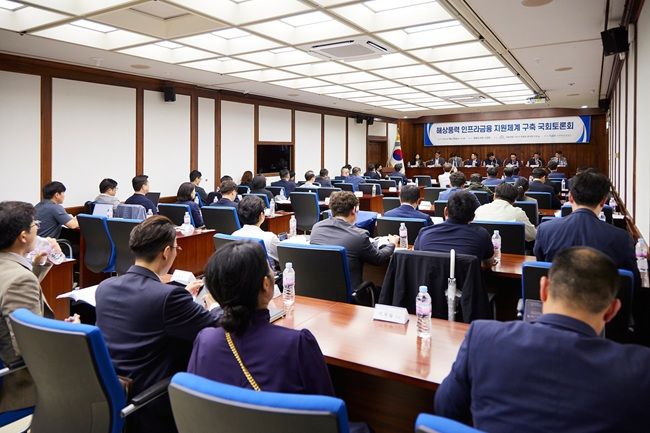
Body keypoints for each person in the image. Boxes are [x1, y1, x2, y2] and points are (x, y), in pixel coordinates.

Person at [435, 247, 650, 433]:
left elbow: (445, 408)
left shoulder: (482, 337)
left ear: (543, 289)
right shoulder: (640, 370)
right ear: (612, 310)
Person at [95, 216, 220, 433]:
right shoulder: (168, 297)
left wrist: (183, 297)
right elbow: (215, 325)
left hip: (112, 391)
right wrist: (214, 305)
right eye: (176, 248)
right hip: (151, 402)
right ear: (166, 252)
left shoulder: (105, 287)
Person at [187, 241, 334, 394]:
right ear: (265, 284)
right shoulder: (297, 344)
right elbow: (328, 405)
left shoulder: (205, 340)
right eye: (270, 268)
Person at [0, 201, 73, 413]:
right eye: (35, 225)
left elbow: (10, 288)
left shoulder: (12, 272)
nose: (38, 228)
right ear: (23, 236)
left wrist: (38, 266)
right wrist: (67, 333)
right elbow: (27, 347)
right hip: (20, 384)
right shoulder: (20, 280)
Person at [534, 169, 638, 275]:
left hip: (557, 285)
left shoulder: (545, 230)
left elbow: (541, 269)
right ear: (603, 201)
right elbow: (631, 281)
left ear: (570, 198)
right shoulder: (622, 238)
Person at [310, 191, 397, 290]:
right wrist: (392, 243)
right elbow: (378, 259)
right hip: (350, 292)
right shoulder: (359, 235)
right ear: (354, 210)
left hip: (320, 290)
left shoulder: (316, 227)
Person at [414, 191, 493, 266]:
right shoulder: (481, 235)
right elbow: (488, 263)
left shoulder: (424, 233)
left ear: (445, 211)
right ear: (473, 217)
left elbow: (416, 259)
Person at [233, 195, 280, 270]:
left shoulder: (234, 235)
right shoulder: (270, 238)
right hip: (265, 276)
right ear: (261, 215)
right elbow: (283, 259)